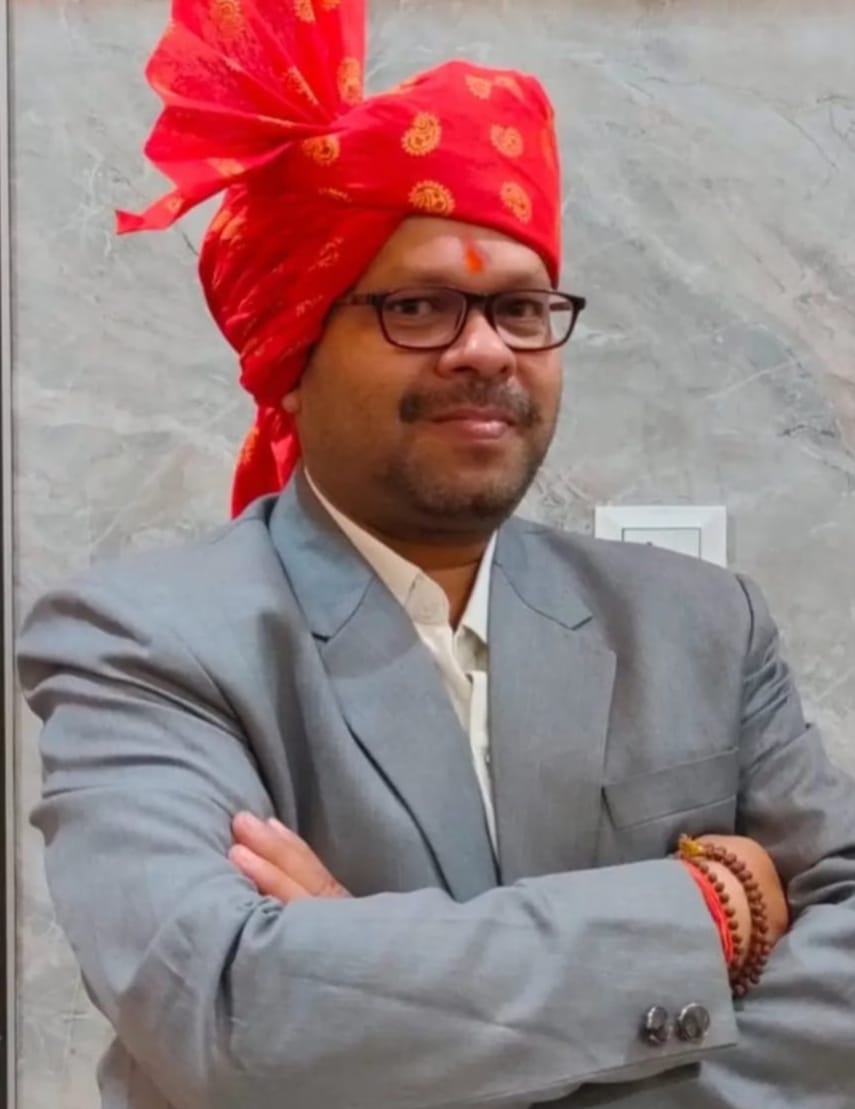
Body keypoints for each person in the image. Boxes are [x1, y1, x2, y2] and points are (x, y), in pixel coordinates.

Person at [18, 1, 855, 1107]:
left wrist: (369, 988)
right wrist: (711, 912)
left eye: (520, 308)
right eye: (417, 306)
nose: (484, 350)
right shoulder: (146, 640)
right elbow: (224, 1010)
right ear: (293, 353)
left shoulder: (699, 623)